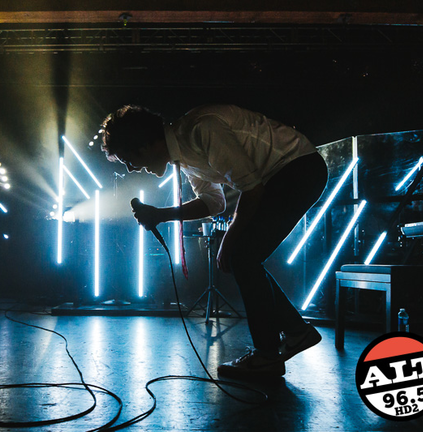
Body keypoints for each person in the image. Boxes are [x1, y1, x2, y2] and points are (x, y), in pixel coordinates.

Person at [100, 104, 328, 378]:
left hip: (298, 169)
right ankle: (294, 333)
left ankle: (271, 353)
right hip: (286, 174)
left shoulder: (202, 129)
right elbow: (214, 203)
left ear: (143, 145)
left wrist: (229, 239)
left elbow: (252, 188)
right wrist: (161, 215)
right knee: (244, 258)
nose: (131, 168)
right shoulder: (184, 155)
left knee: (242, 257)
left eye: (128, 159)